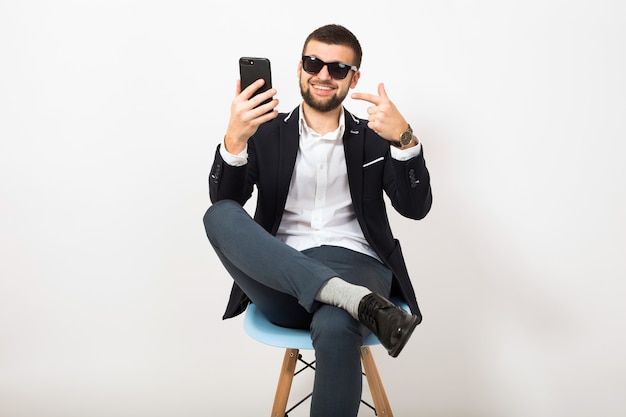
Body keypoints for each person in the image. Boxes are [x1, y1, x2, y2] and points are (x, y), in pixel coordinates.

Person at [203, 24, 432, 417]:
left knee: (337, 326)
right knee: (219, 214)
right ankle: (356, 302)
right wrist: (235, 140)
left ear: (354, 77)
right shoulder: (265, 132)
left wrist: (404, 141)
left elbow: (414, 208)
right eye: (314, 63)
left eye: (338, 69)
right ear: (299, 67)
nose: (323, 75)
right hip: (279, 274)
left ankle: (350, 298)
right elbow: (229, 202)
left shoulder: (376, 137)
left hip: (358, 266)